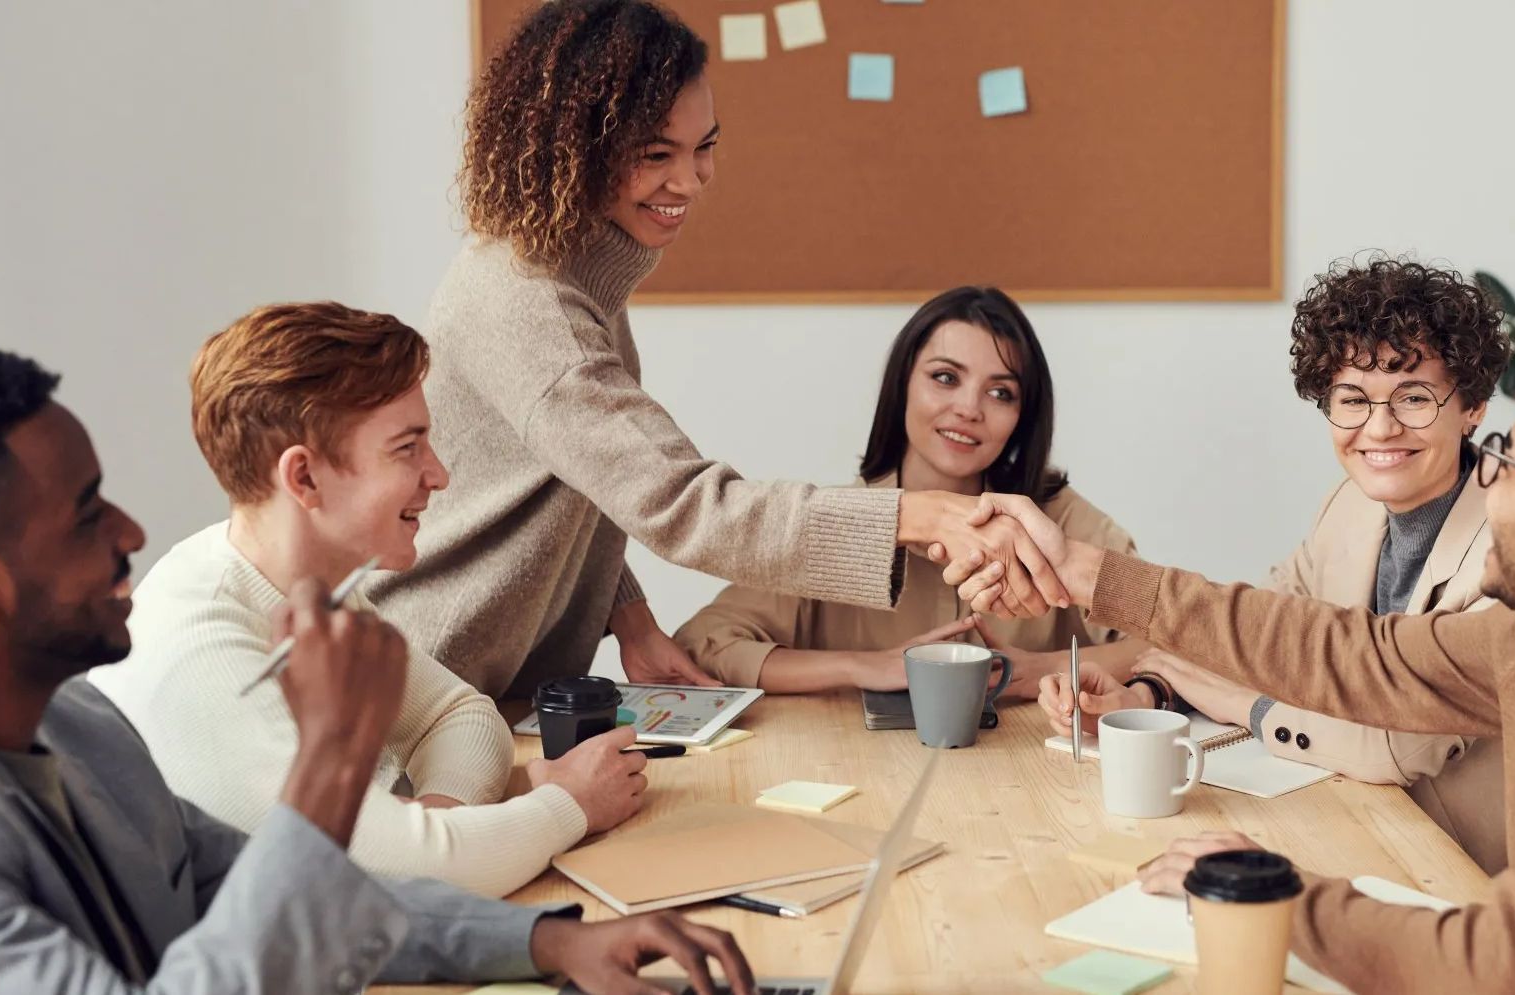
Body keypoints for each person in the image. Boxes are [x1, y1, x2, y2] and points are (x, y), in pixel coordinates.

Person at [955, 342, 1515, 992]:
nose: (1484, 482)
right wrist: (1089, 575)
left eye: (1509, 463)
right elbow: (1348, 653)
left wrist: (1269, 893)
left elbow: (1505, 962)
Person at [0, 349, 752, 995]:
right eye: (88, 512)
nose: (131, 528)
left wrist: (549, 939)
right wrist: (334, 757)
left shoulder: (79, 726)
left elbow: (278, 888)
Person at [365, 0, 1065, 700]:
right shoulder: (531, 305)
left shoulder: (575, 278)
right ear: (576, 148)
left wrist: (631, 619)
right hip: (426, 686)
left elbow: (587, 480)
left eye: (704, 147)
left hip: (494, 689)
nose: (691, 180)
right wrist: (912, 515)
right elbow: (685, 502)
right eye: (656, 154)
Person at [89, 303, 643, 899]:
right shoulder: (202, 649)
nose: (439, 475)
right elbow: (392, 879)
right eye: (407, 448)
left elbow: (460, 716)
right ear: (303, 479)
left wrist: (437, 824)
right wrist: (568, 805)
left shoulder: (307, 583)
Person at [1041, 258, 1513, 871]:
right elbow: (1257, 634)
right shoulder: (1347, 506)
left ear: (1472, 405)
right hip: (1352, 825)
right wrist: (1149, 693)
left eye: (1414, 397)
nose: (1380, 427)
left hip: (1465, 868)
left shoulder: (1511, 547)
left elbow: (1397, 747)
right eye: (1352, 399)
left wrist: (1248, 707)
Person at [673, 287, 1141, 695]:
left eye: (1001, 393)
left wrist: (1049, 669)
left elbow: (1172, 642)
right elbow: (703, 644)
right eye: (945, 378)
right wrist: (864, 666)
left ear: (1024, 417)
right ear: (902, 386)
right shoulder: (837, 523)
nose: (968, 409)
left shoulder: (1060, 521)